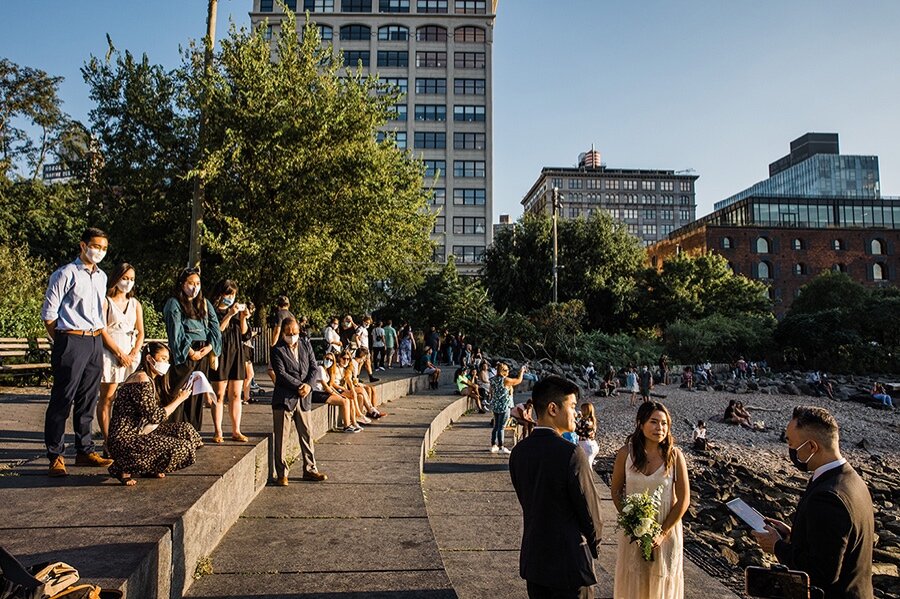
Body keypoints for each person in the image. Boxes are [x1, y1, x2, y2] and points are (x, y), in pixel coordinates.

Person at [752, 406, 874, 599]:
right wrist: (794, 537)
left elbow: (821, 572)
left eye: (791, 443)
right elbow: (832, 544)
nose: (790, 450)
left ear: (811, 447)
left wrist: (777, 547)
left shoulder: (828, 497)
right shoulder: (852, 480)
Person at [509, 376, 604, 599]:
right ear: (553, 408)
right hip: (569, 563)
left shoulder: (519, 452)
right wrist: (594, 546)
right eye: (571, 406)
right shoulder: (571, 453)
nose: (576, 413)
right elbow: (590, 511)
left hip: (535, 561)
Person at [41, 227, 115, 476]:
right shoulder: (65, 274)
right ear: (83, 245)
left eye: (104, 248)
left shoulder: (102, 277)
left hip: (95, 340)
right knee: (63, 398)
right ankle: (56, 455)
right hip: (72, 338)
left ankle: (84, 450)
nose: (99, 252)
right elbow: (49, 315)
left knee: (88, 398)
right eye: (96, 246)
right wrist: (64, 341)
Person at [611, 401, 689, 598]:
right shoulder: (625, 454)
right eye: (654, 422)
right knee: (633, 581)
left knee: (662, 582)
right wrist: (631, 521)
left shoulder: (675, 455)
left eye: (664, 424)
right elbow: (616, 491)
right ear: (640, 423)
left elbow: (684, 500)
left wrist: (662, 533)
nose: (659, 428)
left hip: (667, 528)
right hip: (633, 531)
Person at [106, 342, 203, 485]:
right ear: (150, 358)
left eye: (167, 359)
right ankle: (122, 466)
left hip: (142, 433)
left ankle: (151, 466)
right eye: (162, 358)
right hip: (125, 440)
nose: (166, 363)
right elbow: (155, 416)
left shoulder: (152, 379)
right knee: (182, 447)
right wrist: (179, 399)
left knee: (186, 430)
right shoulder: (141, 379)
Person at [163, 267, 222, 432]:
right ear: (182, 284)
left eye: (197, 283)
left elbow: (215, 327)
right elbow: (176, 332)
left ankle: (193, 431)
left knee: (196, 394)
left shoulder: (204, 303)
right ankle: (174, 430)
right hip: (185, 352)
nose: (194, 287)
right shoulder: (174, 303)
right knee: (180, 391)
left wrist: (210, 347)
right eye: (190, 283)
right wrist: (190, 352)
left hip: (203, 350)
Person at [269, 317, 327, 486]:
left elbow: (314, 367)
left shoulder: (305, 344)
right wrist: (299, 386)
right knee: (281, 438)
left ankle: (310, 469)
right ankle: (282, 474)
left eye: (294, 333)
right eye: (288, 333)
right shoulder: (277, 350)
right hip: (285, 399)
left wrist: (308, 386)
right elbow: (281, 374)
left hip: (304, 398)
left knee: (307, 435)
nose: (292, 336)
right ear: (283, 333)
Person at [97, 263, 145, 449]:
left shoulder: (135, 304)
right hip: (110, 353)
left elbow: (140, 331)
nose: (128, 283)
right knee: (107, 397)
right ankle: (108, 440)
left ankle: (125, 436)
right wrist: (118, 353)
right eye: (125, 278)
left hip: (131, 354)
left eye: (132, 279)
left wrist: (133, 352)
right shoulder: (105, 302)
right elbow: (102, 329)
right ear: (116, 278)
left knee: (128, 399)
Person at [208, 280, 251, 443]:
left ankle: (236, 430)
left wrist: (243, 318)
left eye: (233, 295)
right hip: (221, 354)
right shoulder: (212, 311)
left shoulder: (237, 313)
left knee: (235, 394)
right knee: (219, 394)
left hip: (237, 353)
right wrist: (229, 314)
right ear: (221, 294)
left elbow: (245, 335)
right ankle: (218, 431)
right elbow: (216, 331)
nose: (231, 298)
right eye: (228, 294)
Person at [313, 352, 361, 433]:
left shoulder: (327, 371)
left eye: (331, 360)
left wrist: (338, 394)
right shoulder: (320, 368)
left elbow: (330, 386)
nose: (329, 361)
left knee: (347, 399)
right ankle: (347, 426)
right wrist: (338, 395)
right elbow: (326, 387)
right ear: (324, 358)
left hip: (323, 393)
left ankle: (351, 423)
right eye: (327, 359)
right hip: (317, 394)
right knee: (344, 401)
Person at [488, 362, 526, 454]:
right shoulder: (505, 380)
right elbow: (518, 380)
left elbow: (491, 391)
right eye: (507, 370)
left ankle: (493, 445)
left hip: (496, 405)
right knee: (501, 427)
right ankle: (501, 447)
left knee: (496, 426)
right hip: (504, 406)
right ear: (503, 371)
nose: (508, 371)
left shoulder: (492, 379)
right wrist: (521, 372)